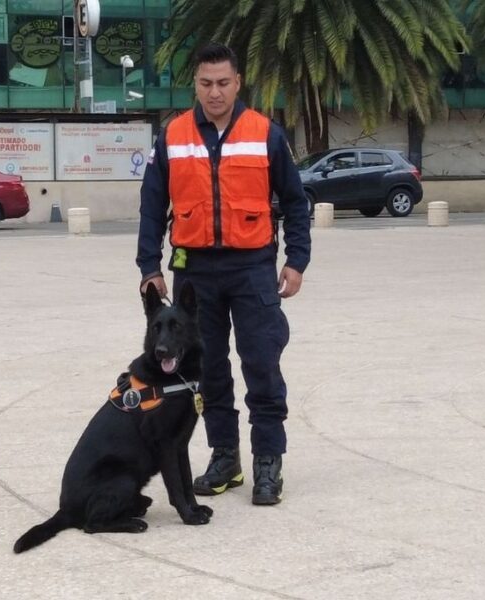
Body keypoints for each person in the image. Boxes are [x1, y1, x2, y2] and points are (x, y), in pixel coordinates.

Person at [136, 42, 311, 506]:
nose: (214, 93)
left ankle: (268, 461)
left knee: (261, 363)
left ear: (238, 83)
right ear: (195, 84)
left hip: (252, 268)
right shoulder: (172, 137)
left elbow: (295, 202)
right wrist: (149, 267)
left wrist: (295, 261)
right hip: (194, 273)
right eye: (206, 83)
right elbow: (152, 206)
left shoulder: (266, 134)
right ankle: (225, 458)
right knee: (209, 370)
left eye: (223, 83)